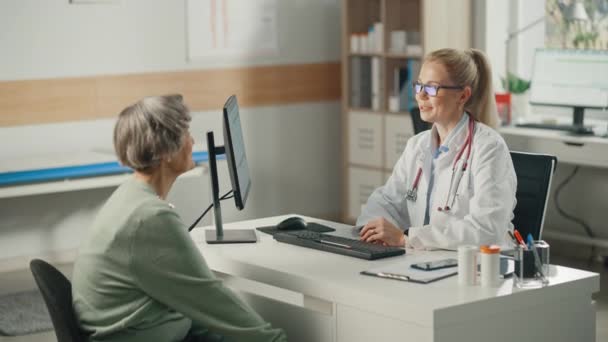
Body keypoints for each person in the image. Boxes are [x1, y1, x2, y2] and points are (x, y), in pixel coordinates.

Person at [71, 95, 286, 342]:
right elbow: (209, 297)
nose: (192, 141)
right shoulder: (150, 218)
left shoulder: (130, 194)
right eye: (186, 134)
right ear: (165, 152)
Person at [357, 48, 517, 250]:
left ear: (462, 95)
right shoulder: (417, 145)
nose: (421, 95)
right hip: (425, 260)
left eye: (432, 88)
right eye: (419, 85)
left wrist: (407, 239)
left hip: (477, 266)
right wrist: (370, 229)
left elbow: (487, 228)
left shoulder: (489, 147)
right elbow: (388, 200)